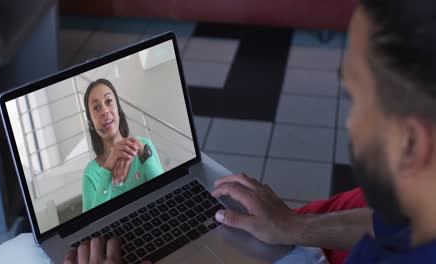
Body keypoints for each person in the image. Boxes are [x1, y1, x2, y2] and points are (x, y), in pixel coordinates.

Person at [67, 0, 436, 262]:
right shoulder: (420, 211)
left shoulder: (143, 145)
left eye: (354, 99)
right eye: (95, 107)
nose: (349, 122)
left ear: (411, 143)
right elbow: (392, 226)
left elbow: (159, 186)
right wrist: (296, 227)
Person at [82, 78, 164, 212]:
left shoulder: (144, 146)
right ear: (91, 123)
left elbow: (167, 191)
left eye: (108, 102)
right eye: (96, 108)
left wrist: (144, 154)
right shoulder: (90, 174)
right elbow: (90, 228)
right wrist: (108, 168)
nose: (104, 111)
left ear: (118, 109)